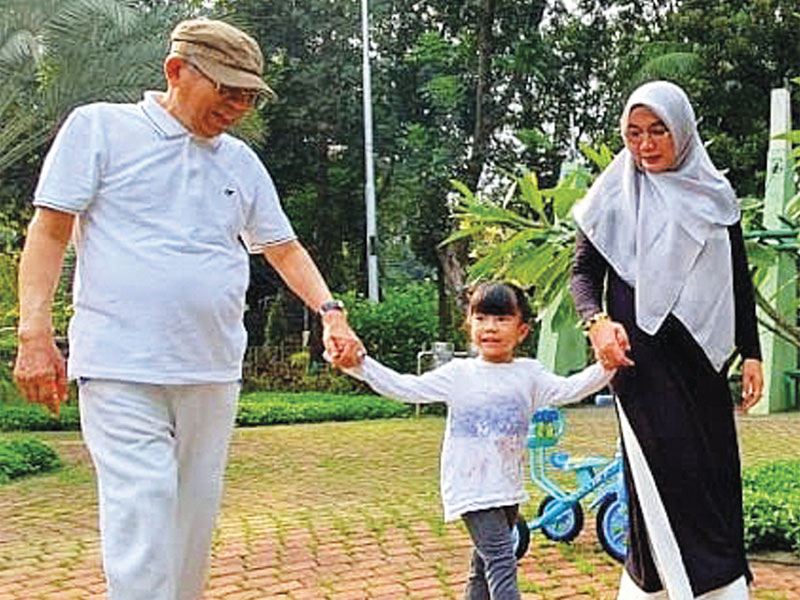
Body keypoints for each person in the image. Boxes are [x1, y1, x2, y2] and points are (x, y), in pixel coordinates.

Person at [12, 18, 363, 600]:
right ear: (176, 71)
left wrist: (331, 311)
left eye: (249, 96)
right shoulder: (101, 128)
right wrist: (34, 333)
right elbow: (49, 231)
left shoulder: (240, 162)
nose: (238, 106)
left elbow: (283, 248)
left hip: (212, 369)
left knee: (191, 527)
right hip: (121, 365)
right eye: (227, 90)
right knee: (143, 514)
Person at [570, 80, 763, 599]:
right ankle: (683, 585)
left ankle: (688, 587)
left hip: (703, 361)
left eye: (658, 131)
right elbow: (583, 274)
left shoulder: (715, 194)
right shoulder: (613, 194)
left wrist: (751, 353)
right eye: (633, 133)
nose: (645, 144)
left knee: (713, 473)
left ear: (683, 130)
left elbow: (737, 280)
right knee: (663, 472)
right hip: (641, 362)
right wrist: (596, 321)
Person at [337, 282, 614, 600]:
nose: (490, 327)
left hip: (507, 487)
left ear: (522, 331)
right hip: (471, 487)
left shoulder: (529, 374)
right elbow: (405, 387)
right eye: (481, 318)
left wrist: (608, 366)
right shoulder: (459, 374)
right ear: (468, 324)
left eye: (502, 319)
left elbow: (570, 389)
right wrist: (361, 365)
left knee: (483, 567)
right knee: (501, 559)